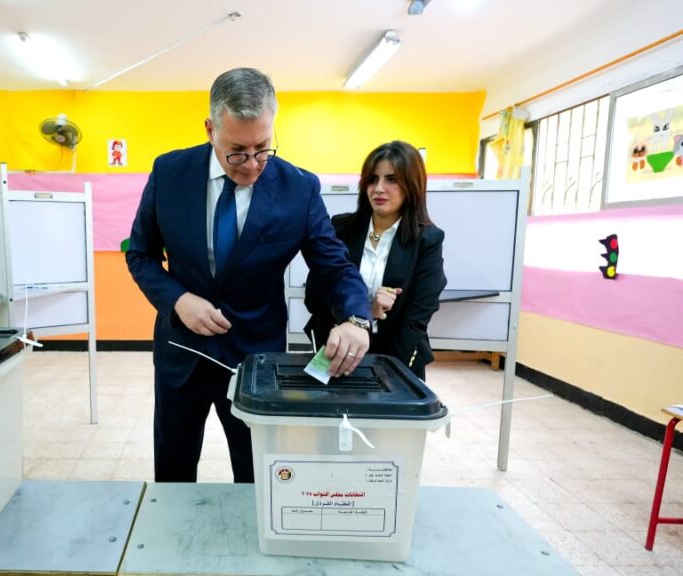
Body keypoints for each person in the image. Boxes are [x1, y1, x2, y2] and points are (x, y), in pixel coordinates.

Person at [126, 68, 371, 483]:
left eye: (263, 148)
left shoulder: (298, 188)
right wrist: (177, 299)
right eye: (237, 152)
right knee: (173, 470)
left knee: (257, 473)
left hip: (255, 357)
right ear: (210, 130)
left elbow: (334, 266)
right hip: (182, 352)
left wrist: (355, 318)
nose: (254, 164)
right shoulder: (169, 173)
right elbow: (141, 255)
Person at [305, 140, 447, 381]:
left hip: (396, 357)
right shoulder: (341, 228)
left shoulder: (427, 240)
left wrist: (390, 375)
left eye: (392, 179)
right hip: (338, 354)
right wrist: (365, 313)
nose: (379, 188)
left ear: (411, 184)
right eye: (372, 179)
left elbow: (415, 319)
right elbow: (314, 297)